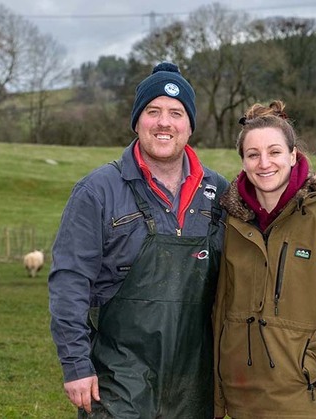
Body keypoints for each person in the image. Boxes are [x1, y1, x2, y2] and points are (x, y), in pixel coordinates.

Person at [49, 62, 228, 418]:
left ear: (190, 126)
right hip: (117, 381)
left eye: (176, 113)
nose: (164, 122)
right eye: (153, 111)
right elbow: (69, 282)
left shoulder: (219, 194)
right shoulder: (97, 191)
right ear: (137, 120)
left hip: (194, 385)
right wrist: (75, 365)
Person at [212, 100, 316, 419]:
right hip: (239, 390)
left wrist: (309, 361)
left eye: (274, 152)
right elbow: (219, 306)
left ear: (293, 155)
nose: (264, 163)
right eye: (253, 154)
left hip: (299, 393)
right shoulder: (229, 223)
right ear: (243, 161)